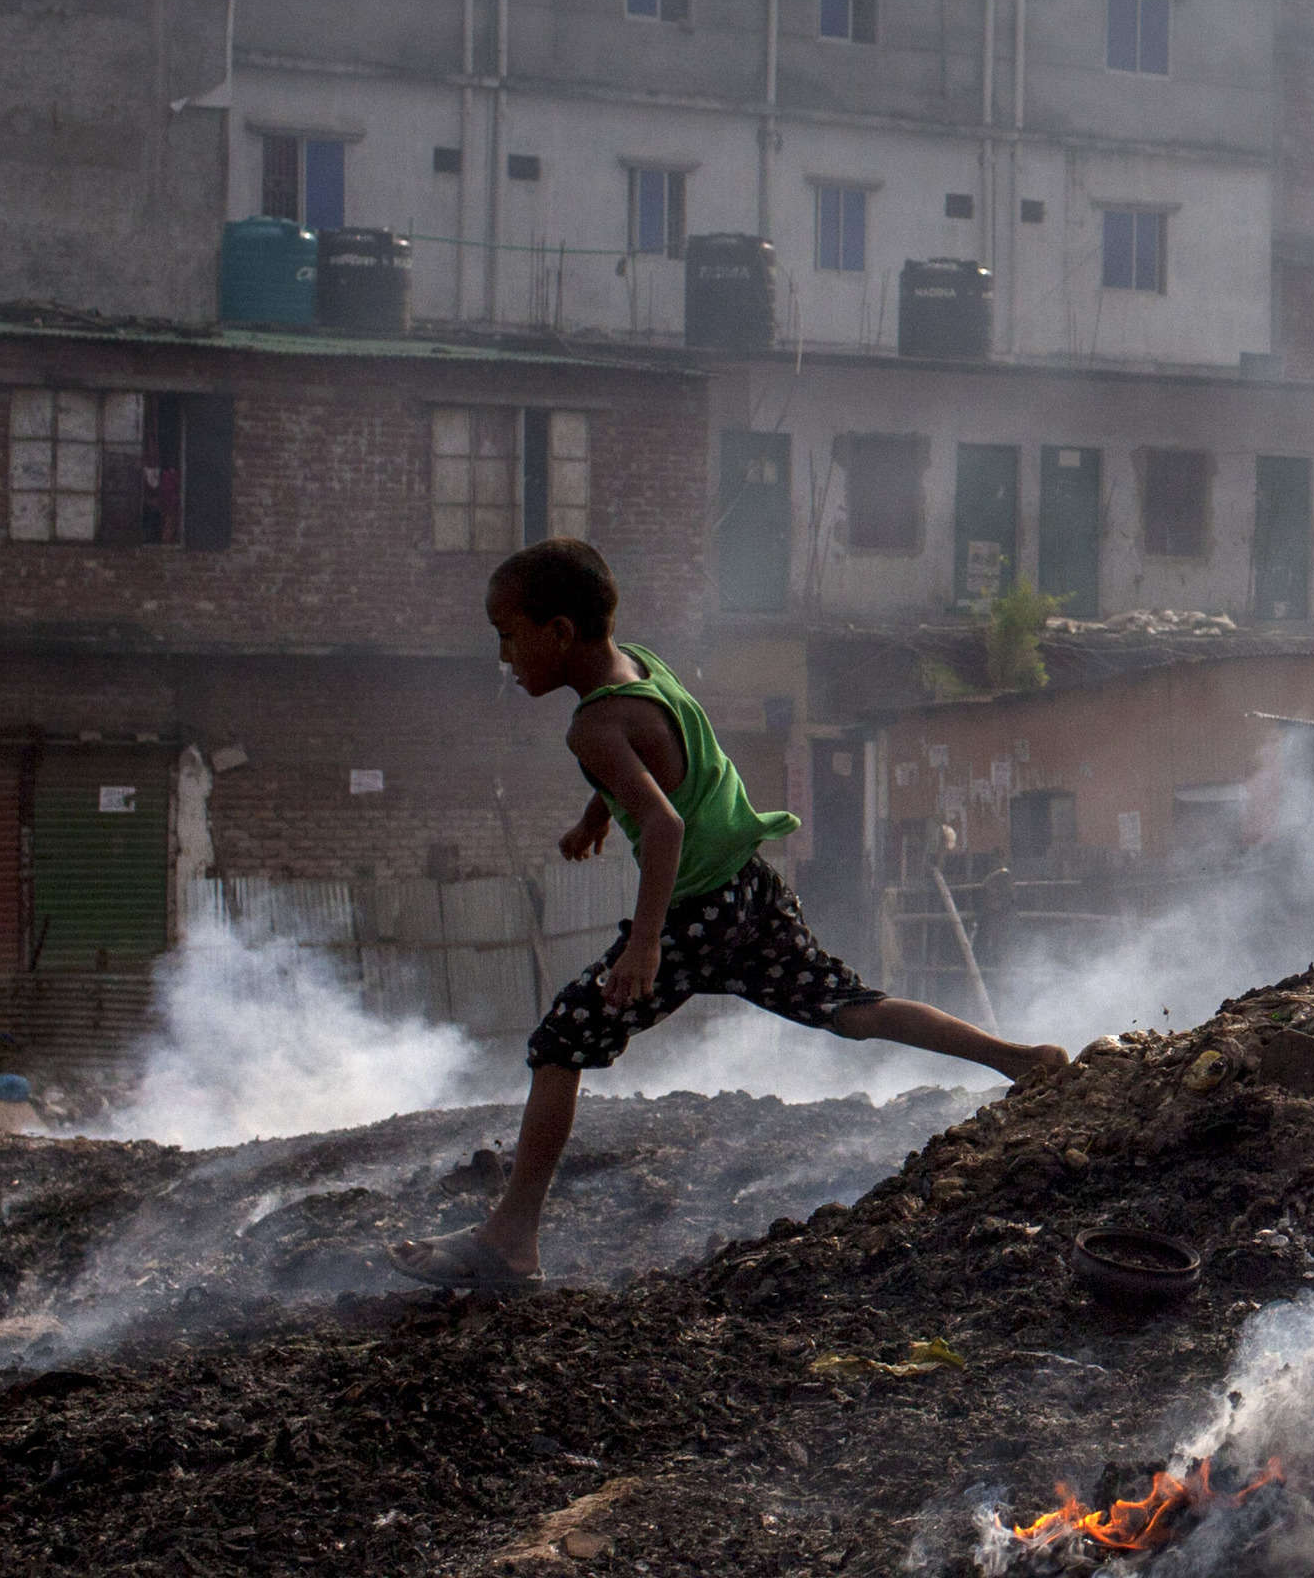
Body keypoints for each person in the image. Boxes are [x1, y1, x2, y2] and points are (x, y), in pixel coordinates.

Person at [388, 539, 1067, 1287]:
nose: (504, 656)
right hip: (750, 885)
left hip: (696, 910)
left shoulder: (590, 727)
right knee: (849, 1004)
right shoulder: (640, 668)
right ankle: (1021, 1060)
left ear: (558, 633)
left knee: (560, 1040)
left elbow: (666, 824)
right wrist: (598, 814)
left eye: (508, 634)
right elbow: (652, 760)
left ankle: (510, 1240)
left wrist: (644, 946)